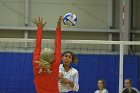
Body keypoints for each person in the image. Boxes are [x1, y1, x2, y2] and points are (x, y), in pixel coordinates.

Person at [33, 16, 62, 93]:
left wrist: (39, 29)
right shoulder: (56, 63)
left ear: (40, 56)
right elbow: (58, 44)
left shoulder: (36, 62)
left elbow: (37, 44)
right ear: (53, 57)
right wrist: (58, 27)